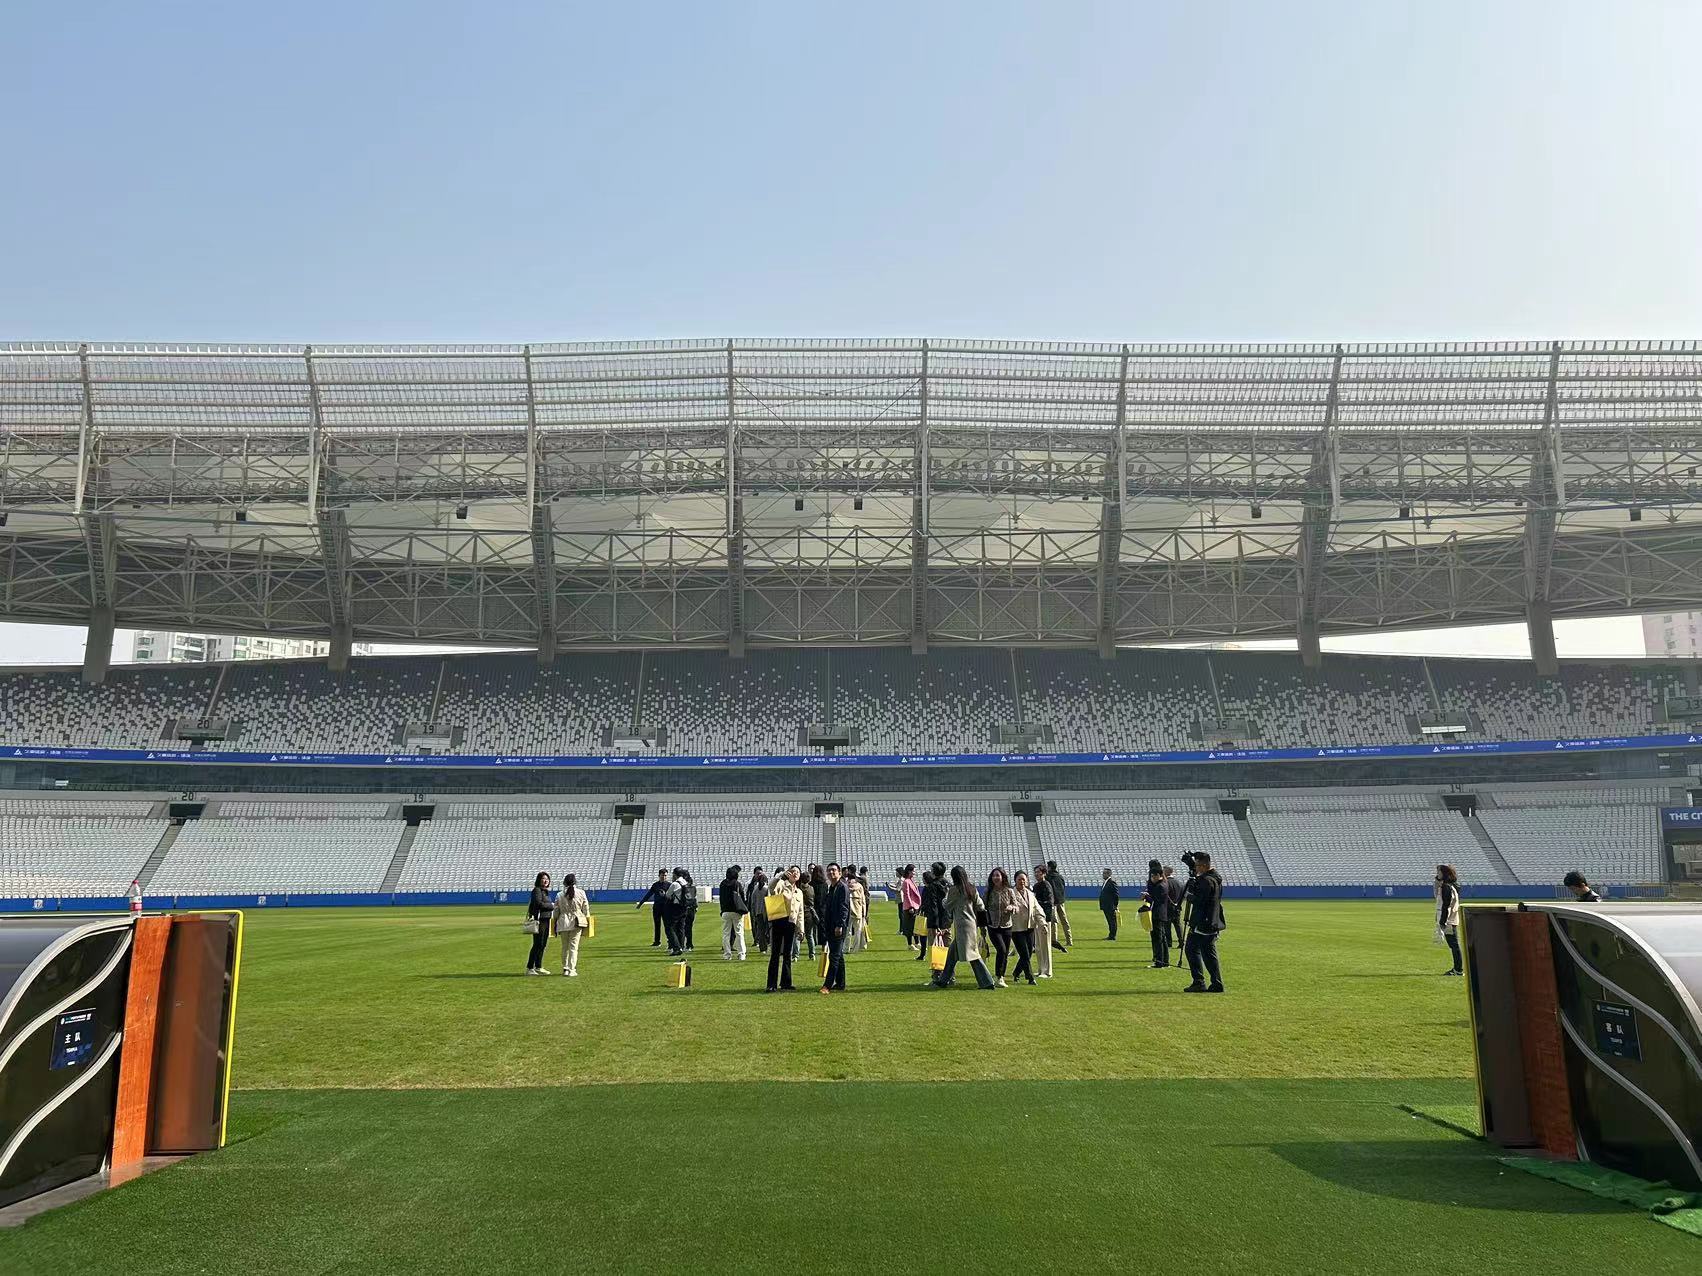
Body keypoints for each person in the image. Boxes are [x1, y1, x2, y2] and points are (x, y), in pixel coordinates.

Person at [940, 866, 996, 989]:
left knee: (973, 955)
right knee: (952, 954)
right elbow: (980, 905)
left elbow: (948, 906)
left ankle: (987, 982)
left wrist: (944, 897)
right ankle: (943, 980)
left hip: (961, 926)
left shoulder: (955, 890)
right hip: (971, 924)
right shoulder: (972, 888)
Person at [1182, 851, 1226, 993]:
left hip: (1203, 921)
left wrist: (1189, 896)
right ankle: (1216, 983)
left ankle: (1199, 981)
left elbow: (1200, 900)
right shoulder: (1215, 877)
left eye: (1197, 865)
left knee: (1192, 949)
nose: (1196, 868)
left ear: (1204, 865)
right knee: (1208, 952)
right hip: (1212, 920)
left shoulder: (1206, 881)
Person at [766, 866, 804, 992]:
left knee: (788, 953)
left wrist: (801, 929)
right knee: (775, 953)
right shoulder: (781, 884)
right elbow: (770, 888)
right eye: (793, 871)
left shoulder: (799, 892)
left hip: (791, 922)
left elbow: (800, 912)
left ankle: (786, 982)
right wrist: (780, 875)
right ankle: (771, 984)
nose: (795, 874)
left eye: (798, 872)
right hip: (779, 919)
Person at [551, 872, 591, 976]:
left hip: (563, 921)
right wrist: (587, 919)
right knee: (573, 947)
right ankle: (572, 969)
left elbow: (556, 910)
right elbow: (586, 908)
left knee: (565, 947)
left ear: (564, 882)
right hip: (577, 921)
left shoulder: (559, 894)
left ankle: (565, 968)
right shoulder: (581, 892)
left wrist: (555, 920)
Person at [1009, 870, 1044, 984]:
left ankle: (1016, 972)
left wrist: (1042, 923)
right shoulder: (1011, 893)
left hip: (1029, 927)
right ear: (1015, 881)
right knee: (1024, 953)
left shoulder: (1030, 894)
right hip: (1016, 928)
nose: (1022, 881)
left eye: (1024, 879)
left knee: (1028, 953)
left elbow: (1037, 909)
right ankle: (1030, 977)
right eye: (1019, 879)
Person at [821, 862, 850, 994]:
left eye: (834, 870)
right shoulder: (831, 888)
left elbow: (844, 908)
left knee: (834, 956)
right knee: (838, 956)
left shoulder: (842, 888)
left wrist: (840, 925)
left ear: (839, 872)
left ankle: (827, 984)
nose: (831, 873)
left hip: (838, 927)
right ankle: (840, 983)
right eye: (829, 871)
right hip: (830, 926)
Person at [984, 867, 1015, 987]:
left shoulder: (1009, 891)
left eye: (998, 875)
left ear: (1003, 877)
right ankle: (999, 975)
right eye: (994, 876)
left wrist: (1012, 908)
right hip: (993, 925)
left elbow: (1015, 905)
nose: (996, 878)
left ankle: (1001, 976)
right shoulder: (988, 891)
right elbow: (983, 908)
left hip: (1007, 925)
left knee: (1005, 952)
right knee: (1001, 949)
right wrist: (982, 926)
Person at [1141, 859, 1170, 968]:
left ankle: (1159, 962)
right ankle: (1164, 961)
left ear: (1158, 875)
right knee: (1162, 938)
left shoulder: (1160, 886)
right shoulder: (1162, 884)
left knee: (1157, 939)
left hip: (1157, 914)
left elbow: (1156, 900)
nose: (1151, 879)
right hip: (1160, 914)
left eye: (1153, 877)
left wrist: (1146, 896)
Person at [1032, 865, 1060, 975]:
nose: (1036, 874)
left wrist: (1037, 904)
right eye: (1035, 872)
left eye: (1038, 872)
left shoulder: (1046, 885)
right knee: (1038, 947)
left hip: (1045, 919)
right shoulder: (1036, 886)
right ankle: (1040, 969)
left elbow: (1049, 902)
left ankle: (1048, 971)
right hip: (1036, 919)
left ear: (1044, 873)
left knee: (1045, 946)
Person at [1436, 864, 1463, 977]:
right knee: (1454, 945)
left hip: (1449, 921)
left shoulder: (1446, 887)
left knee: (1454, 945)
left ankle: (1458, 969)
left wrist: (1443, 922)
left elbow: (1446, 906)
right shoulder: (1452, 886)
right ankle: (1458, 969)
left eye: (1439, 872)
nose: (1437, 874)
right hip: (1452, 919)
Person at [524, 871, 553, 975]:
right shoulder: (537, 890)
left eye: (547, 879)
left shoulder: (545, 891)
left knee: (543, 944)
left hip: (546, 920)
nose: (545, 881)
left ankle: (538, 966)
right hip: (539, 920)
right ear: (539, 880)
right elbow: (538, 904)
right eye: (543, 879)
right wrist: (551, 905)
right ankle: (529, 967)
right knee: (537, 944)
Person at [720, 866, 749, 961]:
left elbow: (721, 898)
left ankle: (727, 954)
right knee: (739, 933)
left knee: (726, 934)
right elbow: (742, 897)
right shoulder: (737, 884)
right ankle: (741, 954)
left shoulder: (722, 884)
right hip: (736, 911)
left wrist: (722, 910)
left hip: (725, 911)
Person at [636, 869, 671, 947]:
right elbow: (648, 895)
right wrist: (641, 903)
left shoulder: (669, 885)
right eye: (663, 875)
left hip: (666, 907)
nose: (664, 877)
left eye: (665, 875)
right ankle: (657, 941)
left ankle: (670, 941)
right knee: (657, 925)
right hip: (657, 907)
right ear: (659, 875)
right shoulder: (655, 885)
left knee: (667, 925)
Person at [663, 868, 691, 955]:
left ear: (675, 874)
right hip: (685, 907)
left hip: (676, 907)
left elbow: (667, 895)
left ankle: (676, 948)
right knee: (681, 928)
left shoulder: (675, 884)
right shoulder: (685, 882)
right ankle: (681, 946)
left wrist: (663, 894)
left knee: (670, 928)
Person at [1046, 860, 1074, 948]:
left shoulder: (1048, 877)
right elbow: (1063, 887)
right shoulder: (1060, 876)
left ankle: (1054, 941)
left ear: (1049, 867)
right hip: (1061, 902)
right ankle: (1069, 940)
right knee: (1064, 921)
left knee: (1054, 922)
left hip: (1053, 902)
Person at [1164, 865, 1185, 968]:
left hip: (1168, 907)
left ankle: (1169, 942)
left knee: (1167, 925)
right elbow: (1183, 895)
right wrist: (1178, 904)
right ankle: (1181, 941)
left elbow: (1165, 895)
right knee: (1178, 925)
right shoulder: (1179, 883)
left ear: (1167, 872)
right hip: (1177, 907)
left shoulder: (1166, 882)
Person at [745, 867, 771, 954]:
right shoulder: (767, 889)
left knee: (760, 931)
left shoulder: (755, 889)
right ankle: (769, 945)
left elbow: (752, 901)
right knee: (768, 930)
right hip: (766, 912)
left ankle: (762, 948)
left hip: (757, 912)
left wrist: (753, 912)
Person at [897, 864, 921, 951]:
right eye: (913, 871)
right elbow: (906, 895)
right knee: (910, 926)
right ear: (909, 871)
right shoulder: (906, 882)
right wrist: (910, 906)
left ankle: (917, 943)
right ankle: (910, 944)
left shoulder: (911, 881)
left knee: (915, 926)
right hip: (910, 907)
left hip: (916, 906)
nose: (914, 873)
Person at [848, 867, 870, 953]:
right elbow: (863, 900)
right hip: (858, 910)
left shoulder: (845, 886)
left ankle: (846, 948)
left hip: (848, 911)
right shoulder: (859, 886)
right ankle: (855, 948)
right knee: (858, 930)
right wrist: (864, 912)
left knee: (848, 931)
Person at [799, 868, 818, 959]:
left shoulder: (798, 889)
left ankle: (795, 955)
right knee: (810, 935)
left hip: (801, 912)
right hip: (810, 913)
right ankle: (812, 954)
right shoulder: (811, 889)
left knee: (798, 935)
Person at [1099, 868, 1120, 940]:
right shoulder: (1106, 882)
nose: (1103, 874)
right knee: (1109, 921)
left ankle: (1112, 936)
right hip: (1106, 906)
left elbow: (1116, 895)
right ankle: (1111, 935)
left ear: (1109, 874)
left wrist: (1115, 905)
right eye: (1103, 873)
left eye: (1105, 873)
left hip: (1110, 906)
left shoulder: (1112, 882)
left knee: (1112, 921)